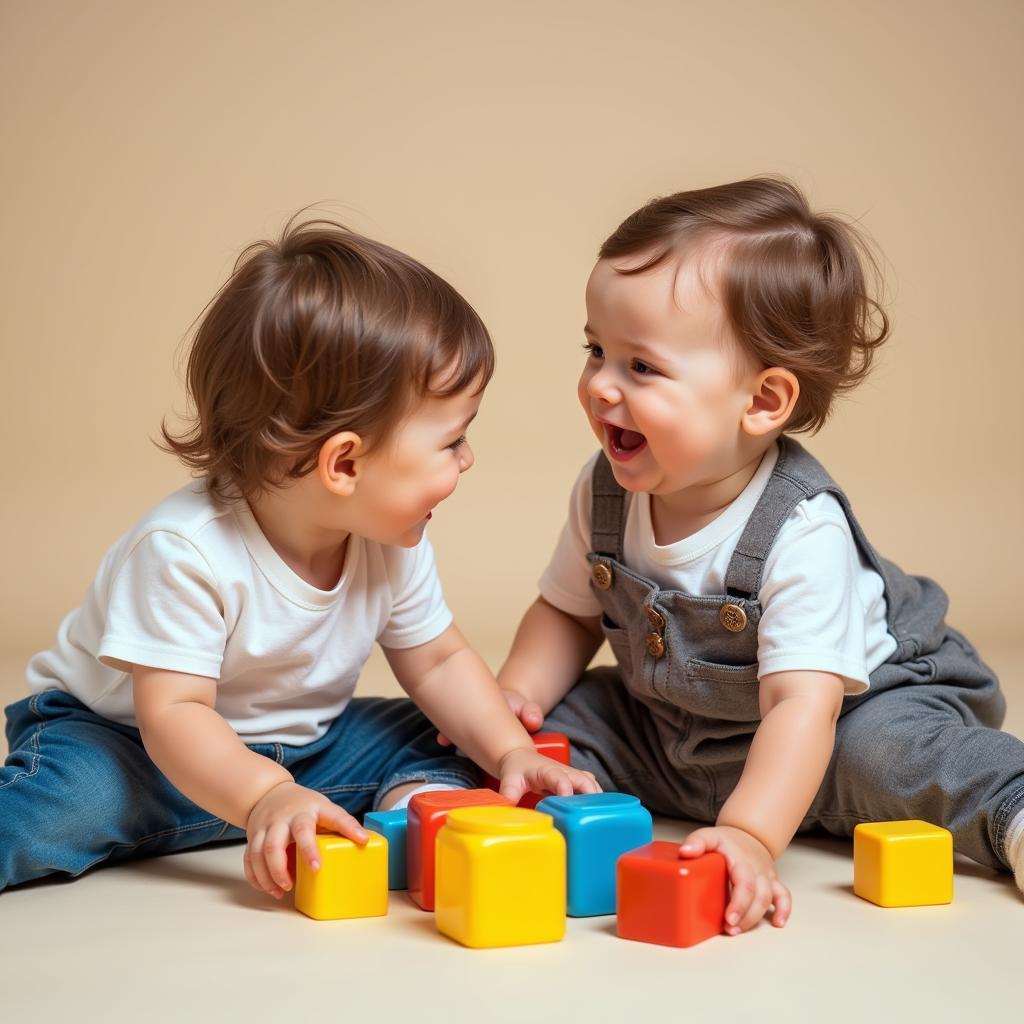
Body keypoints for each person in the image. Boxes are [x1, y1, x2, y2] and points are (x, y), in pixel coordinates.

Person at [0, 215, 598, 897]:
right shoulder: (185, 550)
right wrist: (263, 795)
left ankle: (416, 810)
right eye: (451, 441)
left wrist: (510, 751)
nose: (468, 458)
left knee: (439, 733)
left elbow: (438, 660)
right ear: (344, 462)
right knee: (74, 801)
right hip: (132, 749)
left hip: (306, 751)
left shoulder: (391, 540)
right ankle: (271, 812)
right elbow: (175, 714)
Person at [494, 177, 1024, 934]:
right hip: (680, 728)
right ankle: (443, 792)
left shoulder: (801, 531)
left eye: (641, 367)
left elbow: (799, 704)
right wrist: (517, 701)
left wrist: (749, 835)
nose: (601, 386)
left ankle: (1012, 806)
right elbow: (568, 612)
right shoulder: (604, 490)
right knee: (557, 733)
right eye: (595, 350)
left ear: (764, 402)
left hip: (846, 710)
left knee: (889, 760)